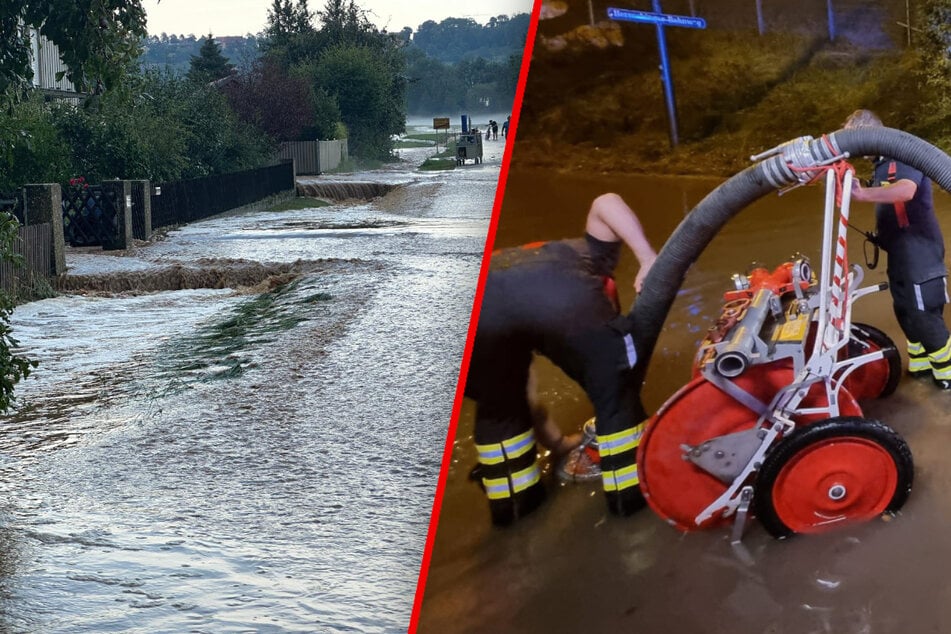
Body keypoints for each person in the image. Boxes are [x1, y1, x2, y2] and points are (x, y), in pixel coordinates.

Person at [464, 193, 657, 525]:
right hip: (558, 296)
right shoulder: (594, 256)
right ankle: (630, 505)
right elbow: (607, 199)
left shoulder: (513, 274)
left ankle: (515, 510)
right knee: (615, 395)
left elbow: (528, 399)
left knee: (499, 408)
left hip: (477, 308)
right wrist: (649, 259)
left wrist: (559, 444)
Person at [846, 109, 951, 389]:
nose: (855, 150)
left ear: (870, 135)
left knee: (924, 314)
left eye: (854, 141)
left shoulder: (901, 155)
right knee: (904, 310)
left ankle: (947, 378)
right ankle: (921, 368)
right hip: (900, 253)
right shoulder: (881, 164)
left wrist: (861, 195)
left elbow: (905, 191)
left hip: (920, 253)